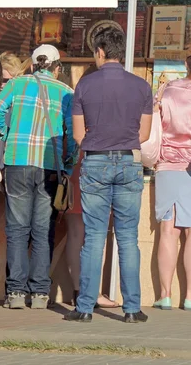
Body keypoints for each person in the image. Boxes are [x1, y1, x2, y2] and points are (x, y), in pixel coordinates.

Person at [66, 27, 152, 324]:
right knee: (128, 238)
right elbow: (144, 133)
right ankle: (132, 308)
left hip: (96, 162)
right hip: (129, 161)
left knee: (94, 238)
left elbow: (78, 135)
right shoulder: (142, 86)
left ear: (100, 52)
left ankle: (86, 307)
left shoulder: (84, 86)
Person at [0, 44, 74, 310]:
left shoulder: (16, 85)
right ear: (56, 67)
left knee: (16, 229)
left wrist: (6, 134)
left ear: (32, 64)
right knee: (43, 230)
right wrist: (69, 164)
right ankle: (40, 293)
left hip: (16, 160)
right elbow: (72, 134)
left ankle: (15, 292)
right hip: (49, 165)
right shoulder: (65, 92)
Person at [153, 40, 191, 311]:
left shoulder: (166, 90)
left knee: (167, 230)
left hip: (166, 166)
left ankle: (164, 295)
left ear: (185, 63)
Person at [64, 64, 120, 309]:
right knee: (95, 234)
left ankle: (79, 291)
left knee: (76, 234)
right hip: (97, 166)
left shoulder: (76, 101)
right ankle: (93, 292)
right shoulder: (106, 106)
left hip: (75, 168)